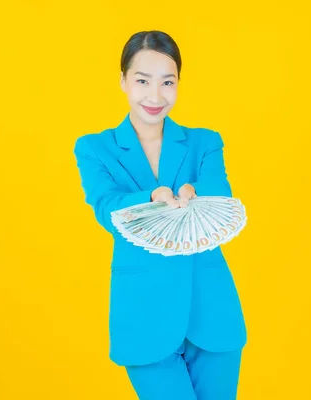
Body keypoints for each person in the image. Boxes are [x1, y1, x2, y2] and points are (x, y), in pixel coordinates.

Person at [73, 30, 247, 400]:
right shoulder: (94, 148)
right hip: (143, 314)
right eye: (142, 81)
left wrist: (195, 196)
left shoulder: (205, 141)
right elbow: (107, 208)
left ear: (178, 83)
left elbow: (221, 198)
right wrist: (153, 196)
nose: (155, 96)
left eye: (167, 82)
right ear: (122, 81)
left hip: (211, 310)